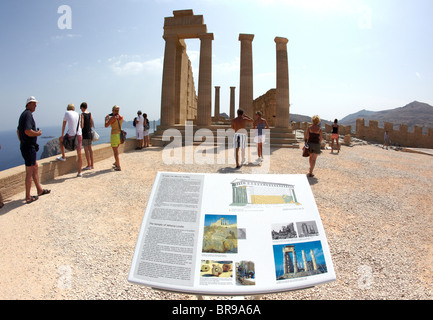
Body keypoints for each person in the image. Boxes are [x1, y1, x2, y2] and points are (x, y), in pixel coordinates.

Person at [17, 97, 51, 204]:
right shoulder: (27, 114)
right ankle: (28, 197)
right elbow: (27, 131)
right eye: (34, 104)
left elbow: (19, 131)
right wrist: (37, 134)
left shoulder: (24, 114)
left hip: (27, 146)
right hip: (28, 147)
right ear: (29, 104)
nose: (36, 106)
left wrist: (22, 141)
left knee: (35, 167)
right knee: (30, 171)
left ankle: (39, 190)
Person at [57, 104, 83, 177]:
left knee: (60, 140)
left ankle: (63, 157)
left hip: (71, 135)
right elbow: (80, 125)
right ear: (74, 108)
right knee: (79, 153)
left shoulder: (67, 113)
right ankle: (79, 172)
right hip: (79, 135)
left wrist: (62, 134)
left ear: (68, 108)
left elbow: (64, 124)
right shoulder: (78, 114)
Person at [105, 105, 123, 171]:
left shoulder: (113, 118)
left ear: (113, 110)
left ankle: (118, 166)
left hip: (114, 135)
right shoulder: (121, 117)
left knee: (115, 152)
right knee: (116, 149)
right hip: (119, 135)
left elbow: (106, 125)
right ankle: (116, 162)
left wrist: (106, 119)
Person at [80, 102, 94, 170]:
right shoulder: (90, 114)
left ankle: (88, 165)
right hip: (89, 133)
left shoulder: (82, 115)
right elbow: (91, 124)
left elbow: (82, 126)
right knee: (90, 150)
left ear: (82, 107)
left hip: (85, 134)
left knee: (86, 150)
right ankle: (92, 164)